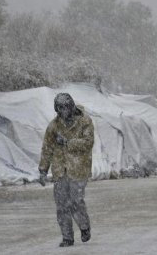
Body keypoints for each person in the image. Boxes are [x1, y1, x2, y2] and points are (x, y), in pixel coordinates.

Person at [38, 93, 94, 247]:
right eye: (59, 108)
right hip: (60, 170)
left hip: (79, 168)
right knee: (62, 205)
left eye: (65, 107)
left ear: (71, 106)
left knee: (76, 201)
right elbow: (47, 149)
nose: (63, 111)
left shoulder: (85, 121)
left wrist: (69, 142)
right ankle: (67, 237)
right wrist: (43, 170)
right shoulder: (53, 126)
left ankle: (84, 226)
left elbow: (88, 142)